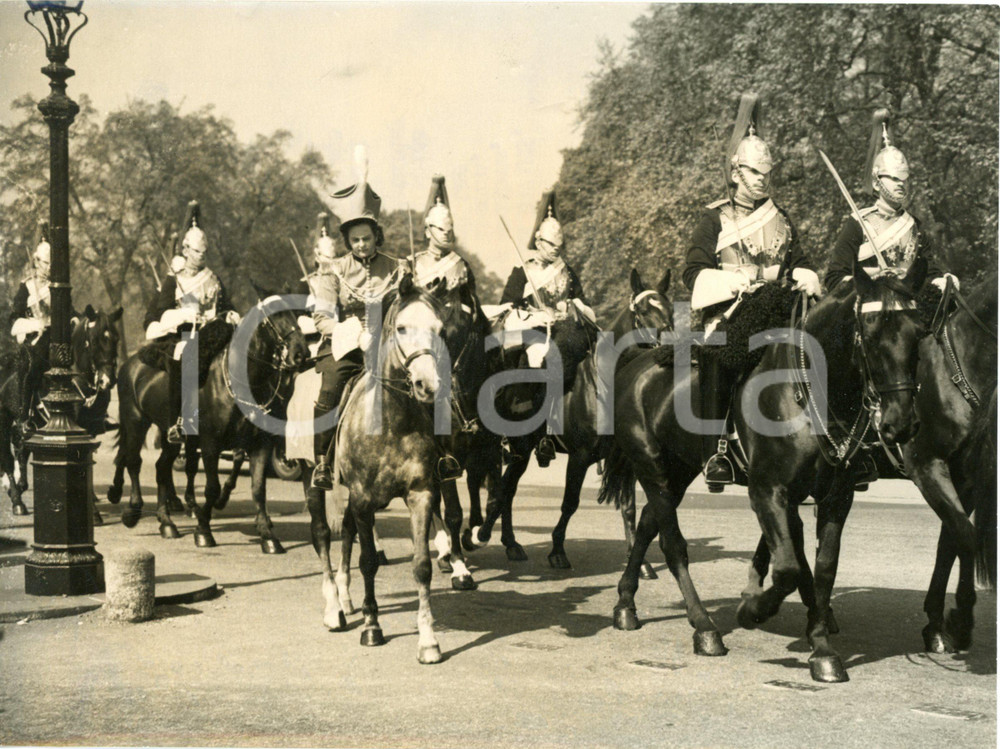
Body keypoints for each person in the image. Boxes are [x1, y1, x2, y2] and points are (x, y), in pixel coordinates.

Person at [683, 93, 821, 491]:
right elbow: (692, 272)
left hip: (777, 307)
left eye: (766, 173)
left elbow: (798, 259)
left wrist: (807, 274)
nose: (763, 179)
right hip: (729, 312)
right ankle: (716, 452)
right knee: (718, 356)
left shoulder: (781, 217)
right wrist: (730, 281)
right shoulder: (714, 217)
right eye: (755, 173)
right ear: (736, 172)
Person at [309, 147, 406, 491]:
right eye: (355, 240)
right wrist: (350, 331)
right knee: (331, 387)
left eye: (367, 238)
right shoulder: (333, 270)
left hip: (390, 343)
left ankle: (438, 455)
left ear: (376, 236)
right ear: (346, 240)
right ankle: (322, 461)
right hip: (347, 346)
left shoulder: (397, 266)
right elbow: (322, 316)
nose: (362, 245)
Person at [499, 191, 595, 467]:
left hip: (567, 333)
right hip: (536, 334)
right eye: (552, 245)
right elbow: (507, 308)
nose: (556, 250)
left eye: (559, 246)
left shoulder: (567, 271)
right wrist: (535, 316)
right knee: (538, 357)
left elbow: (584, 303)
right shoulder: (522, 270)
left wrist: (573, 306)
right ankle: (533, 429)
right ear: (539, 241)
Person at [825, 109, 953, 292]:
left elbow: (930, 272)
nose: (900, 183)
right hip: (872, 307)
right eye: (893, 178)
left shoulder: (914, 225)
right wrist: (873, 279)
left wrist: (940, 280)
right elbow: (834, 277)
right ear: (877, 184)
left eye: (903, 178)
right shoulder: (859, 222)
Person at [144, 200, 237, 445]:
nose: (201, 256)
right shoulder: (173, 281)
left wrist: (230, 314)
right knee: (181, 358)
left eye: (204, 252)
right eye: (197, 252)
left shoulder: (213, 278)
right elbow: (159, 314)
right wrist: (184, 314)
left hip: (212, 333)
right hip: (183, 335)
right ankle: (180, 420)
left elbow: (226, 306)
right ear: (185, 250)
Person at [410, 175, 480, 307]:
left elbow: (472, 305)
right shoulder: (411, 263)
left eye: (449, 229)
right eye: (441, 229)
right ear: (428, 232)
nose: (446, 234)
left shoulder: (461, 265)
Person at [10, 221, 53, 428]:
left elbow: (70, 311)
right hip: (35, 340)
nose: (50, 267)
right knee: (33, 366)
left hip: (57, 336)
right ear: (37, 262)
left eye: (52, 263)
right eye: (46, 263)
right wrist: (36, 324)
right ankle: (25, 414)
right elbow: (15, 319)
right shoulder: (27, 286)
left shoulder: (57, 285)